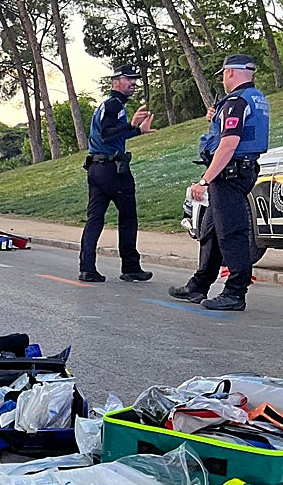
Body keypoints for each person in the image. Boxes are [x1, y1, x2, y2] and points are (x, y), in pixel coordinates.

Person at [170, 55, 271, 311]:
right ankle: (199, 284)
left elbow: (228, 145)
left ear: (229, 73)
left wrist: (205, 180)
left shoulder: (236, 102)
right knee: (211, 231)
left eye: (224, 75)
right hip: (238, 170)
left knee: (232, 233)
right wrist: (216, 119)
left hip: (230, 173)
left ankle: (235, 293)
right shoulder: (255, 99)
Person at [78, 65, 155, 283]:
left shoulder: (108, 105)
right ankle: (130, 267)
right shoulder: (114, 105)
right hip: (113, 169)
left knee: (95, 219)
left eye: (135, 79)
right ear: (115, 83)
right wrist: (131, 124)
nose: (133, 83)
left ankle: (87, 268)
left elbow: (110, 135)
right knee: (128, 217)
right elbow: (108, 132)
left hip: (96, 168)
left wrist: (138, 131)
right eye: (128, 79)